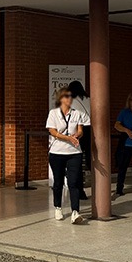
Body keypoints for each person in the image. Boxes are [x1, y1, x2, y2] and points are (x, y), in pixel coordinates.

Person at [45, 87, 87, 224]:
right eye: (67, 96)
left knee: (73, 182)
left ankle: (75, 211)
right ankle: (58, 207)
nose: (70, 98)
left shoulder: (77, 113)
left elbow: (81, 130)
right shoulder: (53, 113)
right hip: (57, 152)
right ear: (61, 98)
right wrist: (67, 138)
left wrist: (77, 135)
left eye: (71, 96)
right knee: (58, 182)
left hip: (74, 153)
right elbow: (52, 131)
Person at [68, 80, 91, 200]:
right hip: (92, 129)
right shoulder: (89, 98)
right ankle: (99, 187)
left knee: (77, 159)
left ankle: (80, 190)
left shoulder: (72, 101)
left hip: (79, 129)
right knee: (91, 159)